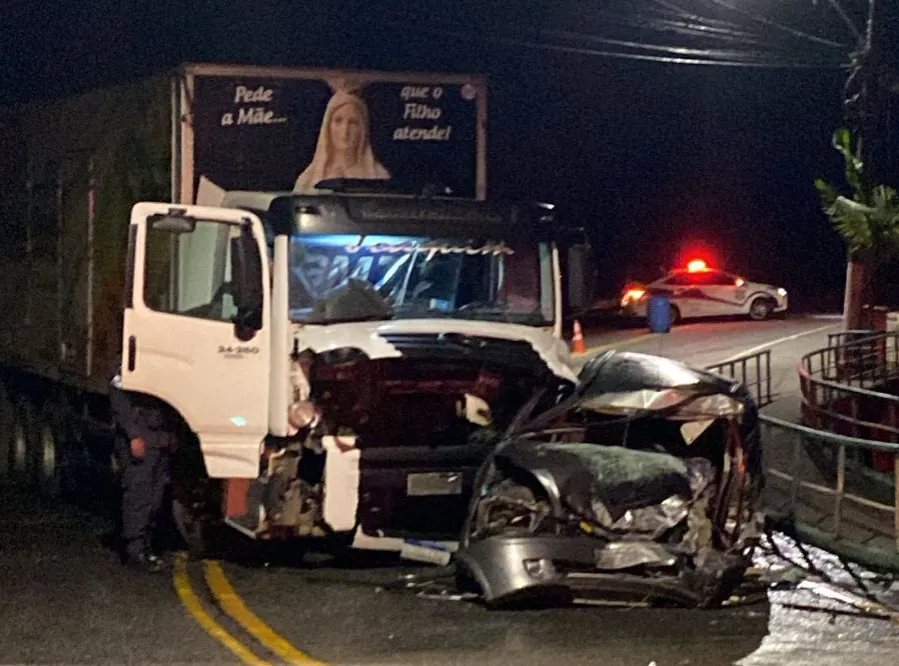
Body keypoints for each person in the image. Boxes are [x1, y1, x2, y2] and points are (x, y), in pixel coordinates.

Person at [109, 356, 176, 572]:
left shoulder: (166, 359)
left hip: (160, 438)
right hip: (141, 437)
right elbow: (119, 399)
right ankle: (134, 551)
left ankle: (146, 547)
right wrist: (133, 435)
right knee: (139, 495)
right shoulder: (130, 358)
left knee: (155, 498)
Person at [294, 90, 390, 191]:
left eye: (353, 123)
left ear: (363, 130)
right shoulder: (308, 179)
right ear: (327, 127)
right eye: (338, 121)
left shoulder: (378, 176)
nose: (345, 130)